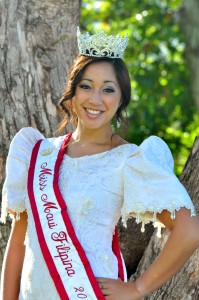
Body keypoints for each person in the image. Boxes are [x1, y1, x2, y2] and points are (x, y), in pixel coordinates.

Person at [1, 27, 199, 300]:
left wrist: (138, 287)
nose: (95, 99)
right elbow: (19, 243)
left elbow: (189, 230)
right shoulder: (37, 153)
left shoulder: (128, 160)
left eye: (107, 89)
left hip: (89, 293)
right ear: (72, 92)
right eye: (86, 86)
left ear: (121, 100)